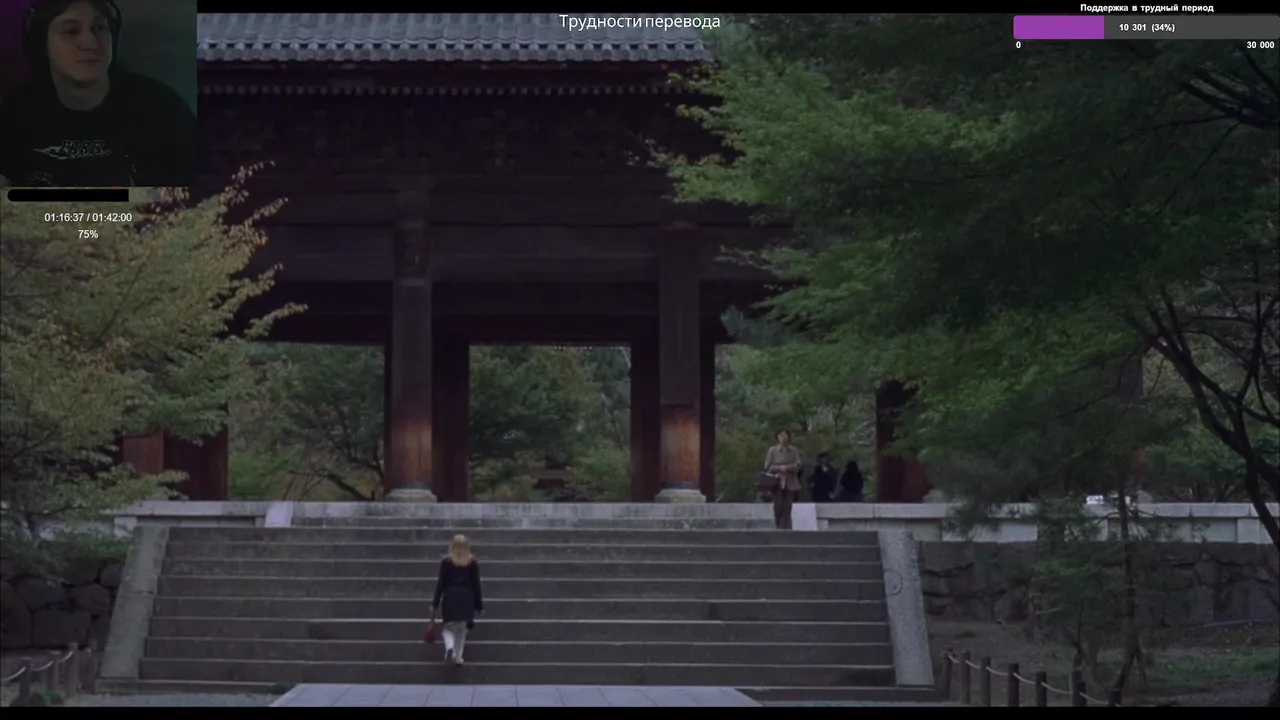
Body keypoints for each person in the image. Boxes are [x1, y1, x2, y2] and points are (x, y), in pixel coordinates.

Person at [0, 0, 195, 188]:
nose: (91, 43)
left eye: (99, 28)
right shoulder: (16, 114)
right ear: (41, 43)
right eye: (71, 31)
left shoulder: (162, 110)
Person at [430, 534, 484, 666]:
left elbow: (440, 584)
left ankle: (449, 647)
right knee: (461, 630)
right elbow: (476, 585)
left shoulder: (446, 562)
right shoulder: (472, 563)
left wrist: (435, 603)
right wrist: (479, 606)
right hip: (466, 598)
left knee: (448, 628)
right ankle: (458, 657)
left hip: (450, 597)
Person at [763, 428, 803, 529]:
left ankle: (784, 526)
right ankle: (778, 525)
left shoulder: (794, 451)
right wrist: (779, 468)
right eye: (781, 435)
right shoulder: (772, 451)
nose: (783, 438)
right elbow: (767, 466)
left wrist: (788, 467)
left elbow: (798, 465)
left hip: (790, 481)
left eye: (785, 435)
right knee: (778, 505)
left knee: (788, 505)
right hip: (776, 481)